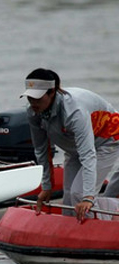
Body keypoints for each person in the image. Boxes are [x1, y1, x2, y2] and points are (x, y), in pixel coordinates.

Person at [22, 68, 119, 221]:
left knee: (80, 194)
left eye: (38, 98)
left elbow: (88, 155)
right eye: (30, 98)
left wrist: (88, 197)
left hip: (108, 141)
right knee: (68, 199)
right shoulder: (33, 112)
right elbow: (41, 150)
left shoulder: (74, 112)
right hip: (75, 149)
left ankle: (109, 220)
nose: (33, 103)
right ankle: (71, 232)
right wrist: (47, 186)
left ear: (52, 92)